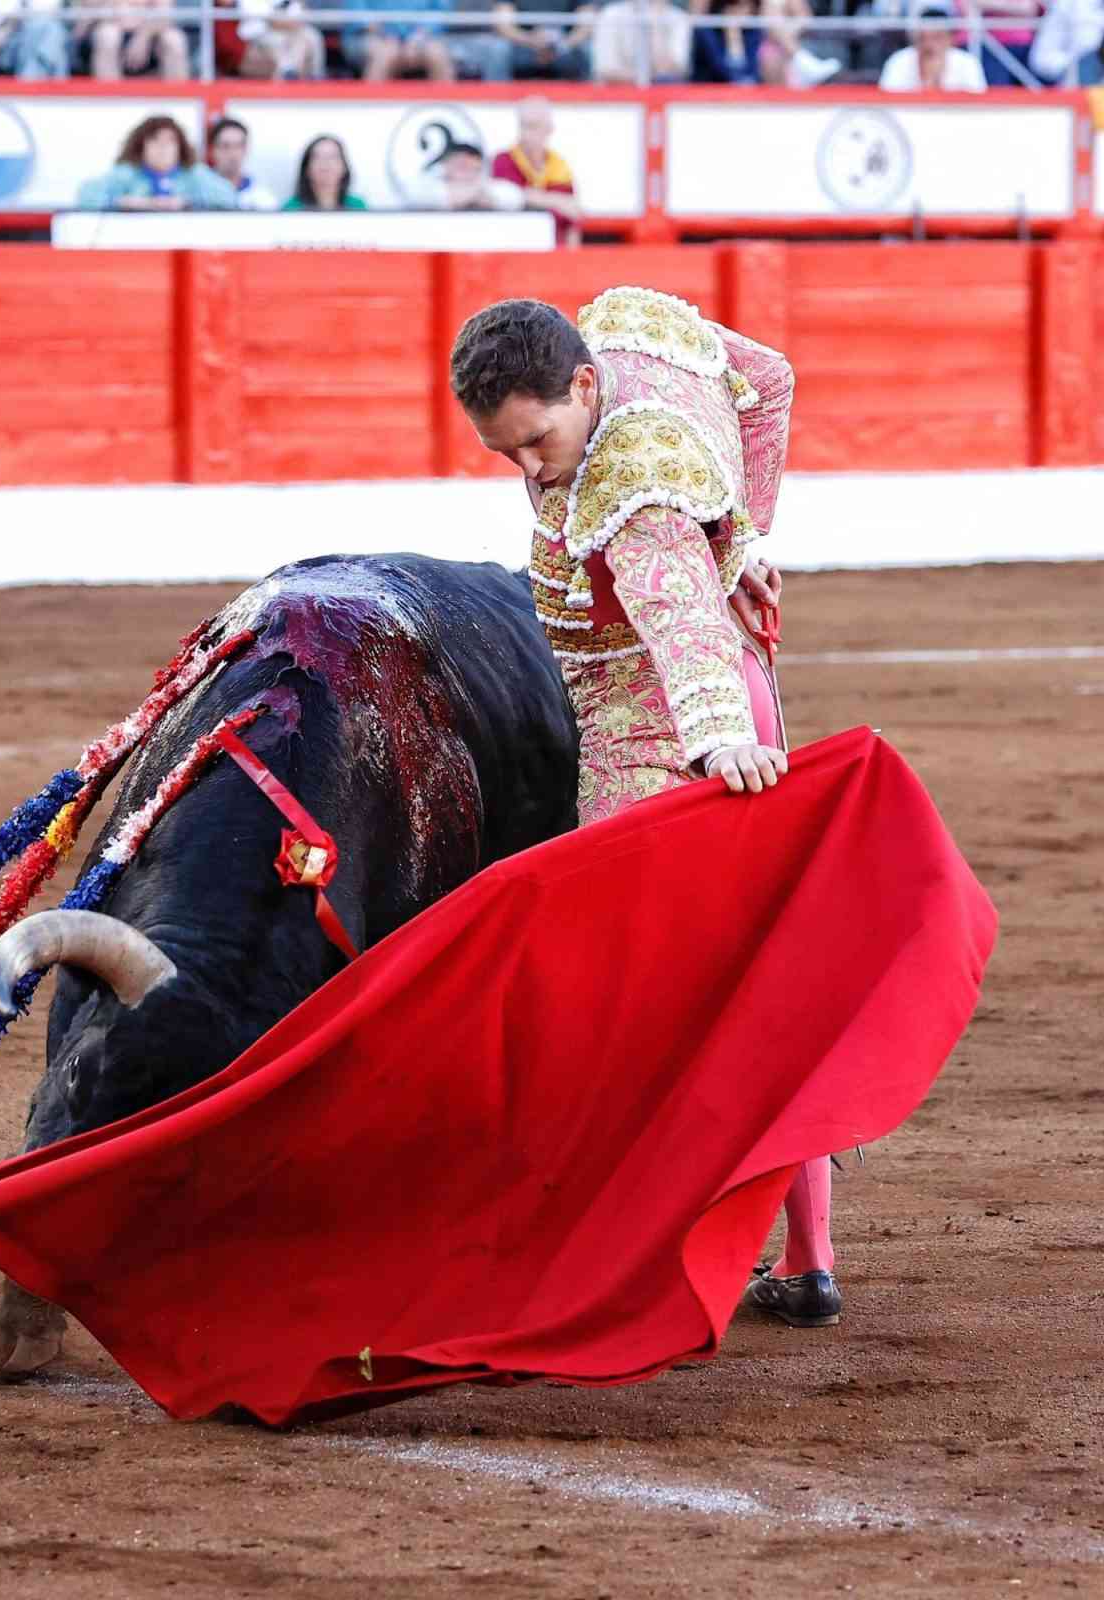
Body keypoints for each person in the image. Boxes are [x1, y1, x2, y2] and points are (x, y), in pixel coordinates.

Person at [450, 289, 843, 1330]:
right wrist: (744, 534)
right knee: (758, 987)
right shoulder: (636, 324)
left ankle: (645, 1260)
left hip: (657, 736)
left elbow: (675, 617)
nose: (530, 468)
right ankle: (807, 1261)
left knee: (633, 1010)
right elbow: (768, 382)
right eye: (504, 451)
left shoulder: (631, 475)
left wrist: (714, 738)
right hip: (747, 690)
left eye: (537, 440)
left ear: (584, 386)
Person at [77, 116, 236, 211]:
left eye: (170, 141)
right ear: (142, 146)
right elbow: (85, 196)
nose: (163, 147)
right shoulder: (128, 173)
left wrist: (188, 203)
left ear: (180, 147)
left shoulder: (193, 173)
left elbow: (229, 197)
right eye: (155, 140)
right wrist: (122, 202)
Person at [490, 97, 581, 246]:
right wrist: (556, 201)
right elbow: (510, 197)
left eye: (534, 126)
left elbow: (572, 213)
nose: (526, 134)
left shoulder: (558, 166)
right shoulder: (504, 160)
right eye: (523, 126)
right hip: (514, 245)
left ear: (549, 129)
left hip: (555, 248)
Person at [340, 0, 455, 80]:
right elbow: (357, 10)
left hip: (423, 37)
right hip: (370, 35)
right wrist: (385, 35)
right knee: (386, 53)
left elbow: (440, 11)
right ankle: (370, 106)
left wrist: (418, 37)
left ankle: (445, 106)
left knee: (437, 53)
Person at [76, 0, 189, 80]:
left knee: (174, 40)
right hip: (106, 31)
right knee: (108, 35)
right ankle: (110, 99)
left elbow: (165, 16)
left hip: (149, 35)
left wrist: (143, 36)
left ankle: (178, 98)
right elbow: (88, 15)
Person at [879, 4, 987, 86]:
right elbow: (885, 100)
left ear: (950, 39)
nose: (929, 45)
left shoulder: (967, 63)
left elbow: (979, 103)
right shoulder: (898, 61)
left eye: (937, 38)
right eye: (923, 38)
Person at [592, 0, 692, 82]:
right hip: (618, 94)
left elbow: (670, 71)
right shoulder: (610, 15)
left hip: (663, 92)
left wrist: (655, 24)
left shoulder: (679, 18)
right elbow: (606, 72)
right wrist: (644, 79)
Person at [411, 141, 527, 210]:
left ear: (480, 165)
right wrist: (477, 193)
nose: (463, 165)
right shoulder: (425, 186)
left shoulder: (498, 186)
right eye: (458, 163)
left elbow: (514, 198)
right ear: (444, 164)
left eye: (468, 163)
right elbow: (426, 198)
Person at [235, 0, 326, 78]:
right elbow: (272, 21)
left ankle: (316, 77)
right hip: (259, 33)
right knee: (281, 42)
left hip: (290, 30)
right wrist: (293, 23)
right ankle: (286, 76)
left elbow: (300, 12)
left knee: (312, 36)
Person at [281, 134, 368, 210]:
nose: (325, 165)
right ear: (306, 168)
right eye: (317, 158)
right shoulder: (291, 209)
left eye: (332, 157)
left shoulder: (358, 207)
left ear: (344, 167)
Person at [207, 117, 278, 209]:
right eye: (225, 146)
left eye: (238, 146)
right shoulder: (200, 190)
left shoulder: (261, 195)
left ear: (246, 149)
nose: (233, 154)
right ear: (213, 150)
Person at [692, 0, 764, 81]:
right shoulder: (707, 31)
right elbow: (726, 74)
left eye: (745, 6)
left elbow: (752, 73)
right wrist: (733, 38)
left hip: (745, 87)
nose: (737, 11)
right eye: (733, 5)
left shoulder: (753, 32)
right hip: (709, 86)